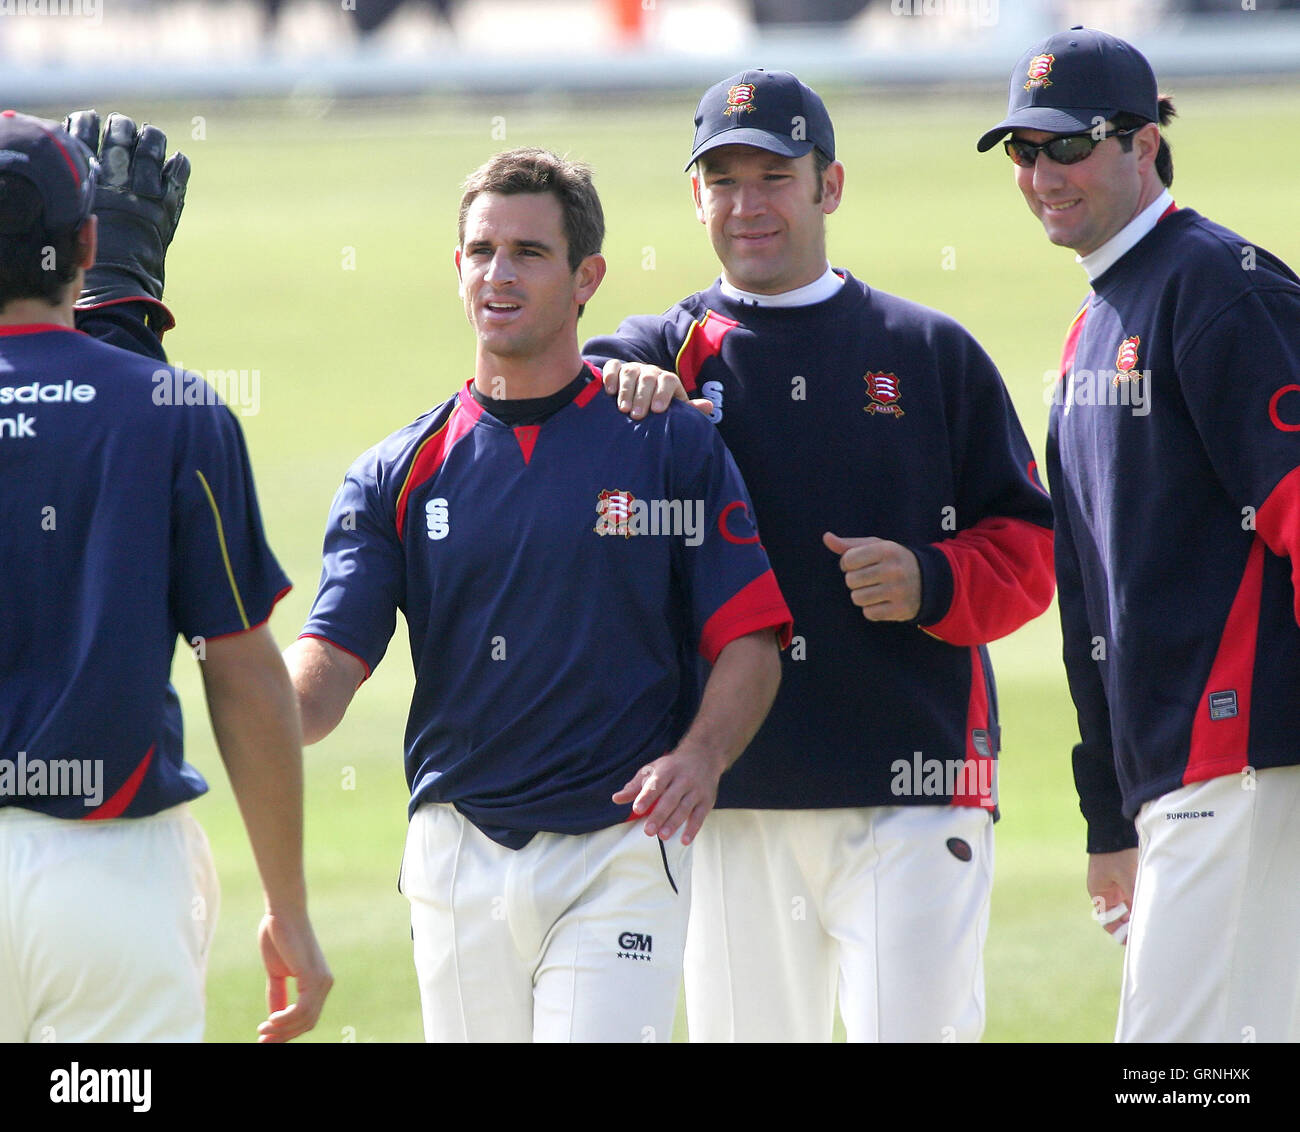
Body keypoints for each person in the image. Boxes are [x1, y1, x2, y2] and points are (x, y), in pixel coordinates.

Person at [585, 70, 1056, 1042]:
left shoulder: (928, 350)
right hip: (730, 795)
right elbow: (558, 431)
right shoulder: (655, 353)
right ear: (695, 196)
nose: (747, 204)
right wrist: (606, 381)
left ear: (828, 186)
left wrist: (930, 579)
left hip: (915, 790)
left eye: (774, 176)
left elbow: (1031, 545)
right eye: (722, 180)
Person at [283, 147, 791, 1043]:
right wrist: (237, 680)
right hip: (456, 857)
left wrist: (703, 756)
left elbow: (750, 637)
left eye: (528, 252)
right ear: (457, 270)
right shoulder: (396, 474)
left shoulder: (668, 445)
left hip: (621, 852)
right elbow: (324, 678)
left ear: (587, 276)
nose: (499, 274)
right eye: (481, 252)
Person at [977, 27, 1300, 1042]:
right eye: (1022, 153)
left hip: (1247, 758)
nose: (1040, 175)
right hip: (1178, 776)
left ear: (1143, 144)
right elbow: (1086, 594)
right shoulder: (1095, 321)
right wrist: (1108, 814)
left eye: (1066, 146)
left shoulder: (1216, 283)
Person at [0, 110, 331, 1043]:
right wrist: (290, 912)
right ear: (88, 241)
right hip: (112, 885)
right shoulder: (174, 412)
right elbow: (242, 674)